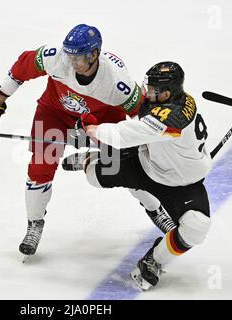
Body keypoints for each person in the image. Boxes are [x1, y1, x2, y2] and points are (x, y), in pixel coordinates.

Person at [0, 24, 145, 257]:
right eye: (69, 55)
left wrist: (147, 142)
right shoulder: (55, 57)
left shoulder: (116, 83)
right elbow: (22, 67)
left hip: (102, 121)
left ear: (94, 54)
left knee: (125, 164)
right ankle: (34, 223)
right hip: (55, 112)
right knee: (40, 165)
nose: (72, 62)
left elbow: (143, 116)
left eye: (79, 58)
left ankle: (154, 209)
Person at [73, 61, 212, 290]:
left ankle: (154, 260)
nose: (148, 92)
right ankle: (93, 159)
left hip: (182, 184)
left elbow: (123, 134)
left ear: (167, 93)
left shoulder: (171, 118)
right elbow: (135, 131)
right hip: (146, 164)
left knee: (196, 228)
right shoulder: (171, 100)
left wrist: (91, 131)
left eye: (154, 88)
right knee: (93, 176)